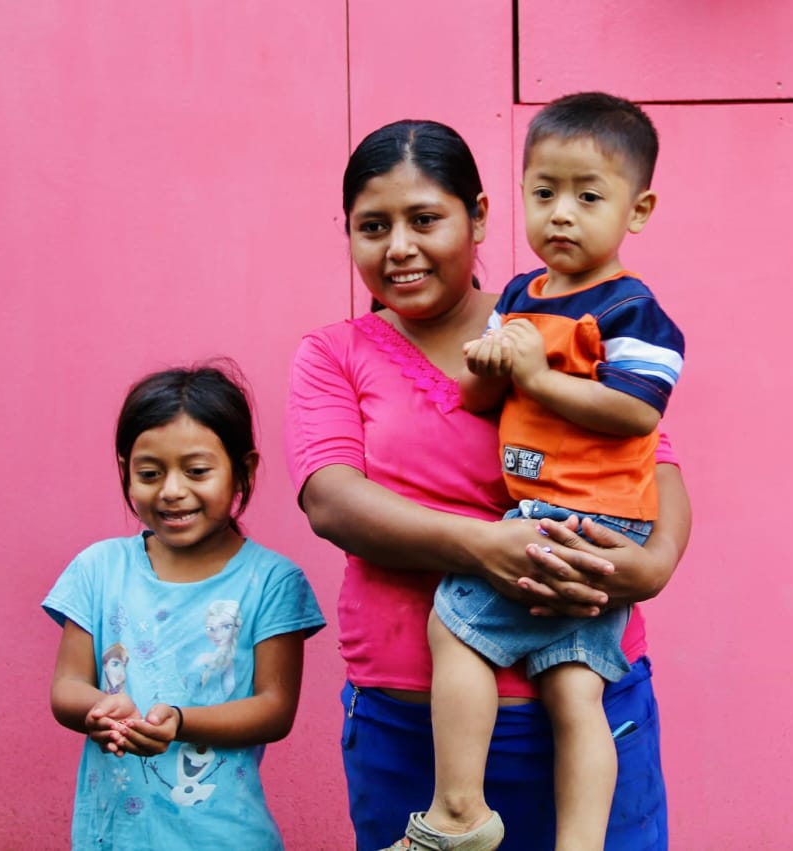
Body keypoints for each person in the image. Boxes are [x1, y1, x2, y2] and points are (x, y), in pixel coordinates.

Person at [285, 118, 691, 851]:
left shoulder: (557, 318)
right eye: (372, 226)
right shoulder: (333, 353)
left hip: (591, 712)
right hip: (409, 735)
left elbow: (653, 456)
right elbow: (331, 498)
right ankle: (457, 807)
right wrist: (486, 547)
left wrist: (652, 564)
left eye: (426, 219)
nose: (399, 247)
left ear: (477, 216)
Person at [406, 91, 684, 851]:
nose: (562, 213)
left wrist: (536, 374)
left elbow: (637, 414)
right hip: (557, 510)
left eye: (588, 196)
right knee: (572, 688)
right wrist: (493, 365)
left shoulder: (634, 311)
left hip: (575, 514)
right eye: (544, 192)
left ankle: (459, 813)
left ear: (638, 209)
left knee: (454, 626)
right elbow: (477, 395)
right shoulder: (523, 295)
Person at [44, 364, 326, 850]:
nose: (172, 490)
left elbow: (275, 709)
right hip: (111, 835)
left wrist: (180, 721)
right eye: (150, 474)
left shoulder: (272, 581)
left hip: (224, 837)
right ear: (125, 471)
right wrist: (99, 710)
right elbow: (67, 686)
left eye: (196, 471)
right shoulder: (98, 568)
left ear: (244, 470)